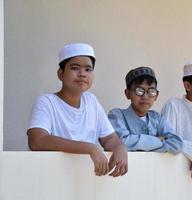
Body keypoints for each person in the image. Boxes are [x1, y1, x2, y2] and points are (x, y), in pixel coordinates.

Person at [27, 43, 128, 177]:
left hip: (86, 180)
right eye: (75, 68)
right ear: (61, 74)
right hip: (51, 178)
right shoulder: (47, 102)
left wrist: (120, 148)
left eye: (88, 69)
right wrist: (89, 148)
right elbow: (37, 141)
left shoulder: (91, 101)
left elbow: (109, 138)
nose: (82, 74)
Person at [108, 66, 183, 154]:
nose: (145, 96)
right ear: (127, 93)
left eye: (151, 91)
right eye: (139, 90)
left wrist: (139, 145)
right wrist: (158, 140)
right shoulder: (117, 115)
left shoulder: (157, 118)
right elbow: (121, 143)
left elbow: (177, 144)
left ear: (156, 95)